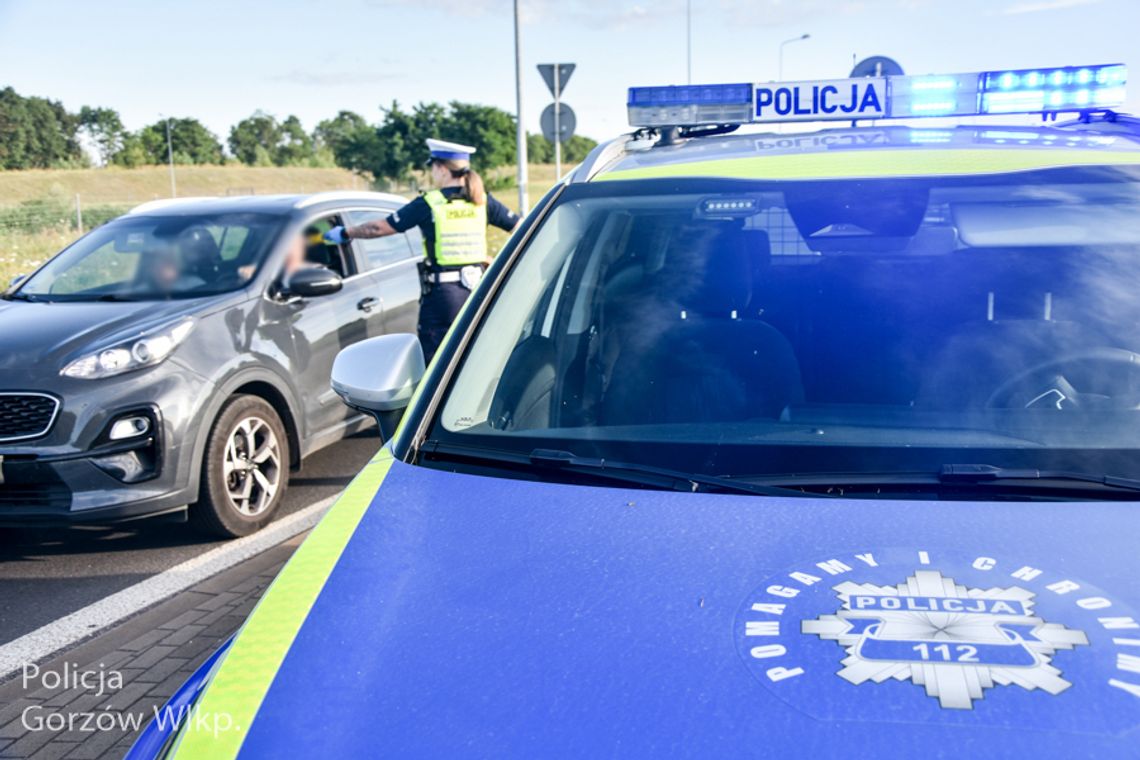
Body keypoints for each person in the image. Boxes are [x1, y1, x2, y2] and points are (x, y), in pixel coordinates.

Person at [324, 138, 521, 363]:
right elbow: (521, 228)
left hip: (444, 297)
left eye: (433, 168)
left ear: (441, 169)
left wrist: (346, 233)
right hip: (478, 291)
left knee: (437, 362)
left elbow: (380, 228)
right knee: (474, 356)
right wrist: (497, 262)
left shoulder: (430, 203)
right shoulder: (483, 201)